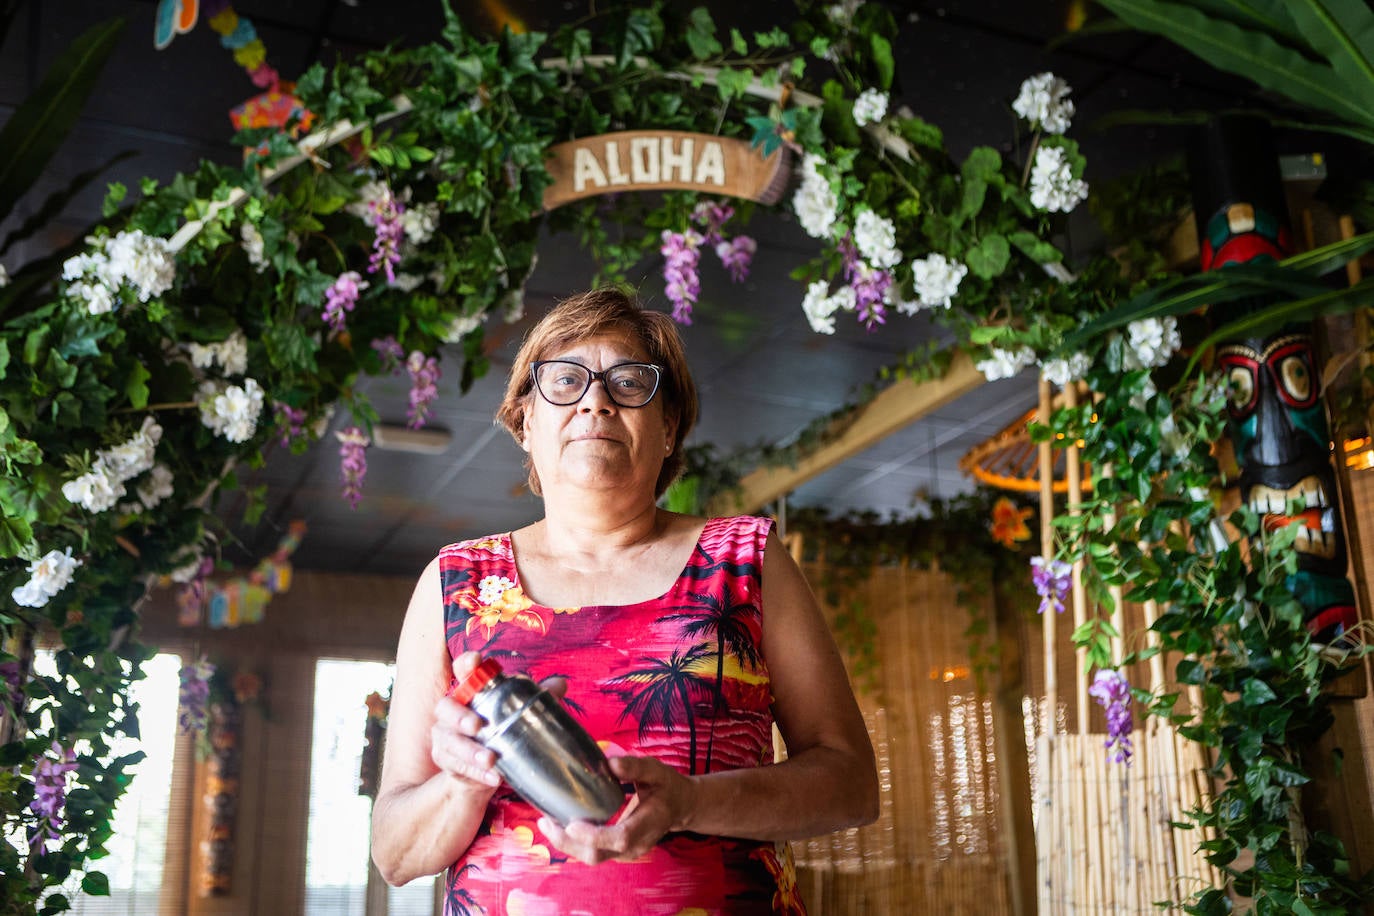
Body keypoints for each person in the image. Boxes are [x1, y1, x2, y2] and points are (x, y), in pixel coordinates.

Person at [371, 287, 878, 915]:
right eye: (564, 381)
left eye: (629, 382)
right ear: (525, 424)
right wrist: (467, 778)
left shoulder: (745, 560)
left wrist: (689, 802)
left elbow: (852, 785)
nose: (595, 401)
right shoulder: (454, 584)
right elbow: (395, 855)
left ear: (668, 429)